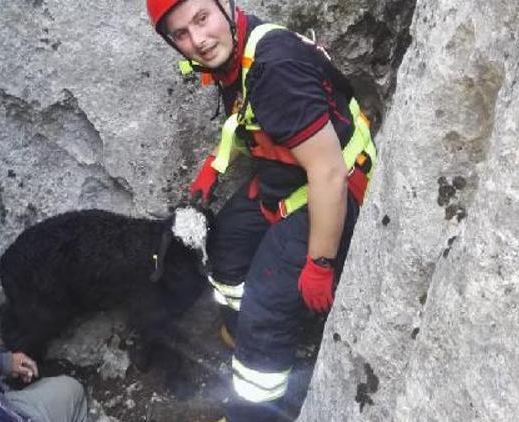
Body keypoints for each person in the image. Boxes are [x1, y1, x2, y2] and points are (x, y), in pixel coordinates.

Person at [145, 0, 376, 420]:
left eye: (202, 18)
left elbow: (328, 173)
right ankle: (242, 334)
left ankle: (255, 399)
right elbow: (247, 123)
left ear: (227, 7)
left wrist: (319, 262)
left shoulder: (274, 70)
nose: (197, 40)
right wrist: (210, 173)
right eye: (180, 34)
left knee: (265, 311)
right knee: (226, 248)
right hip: (290, 178)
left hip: (336, 189)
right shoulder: (237, 53)